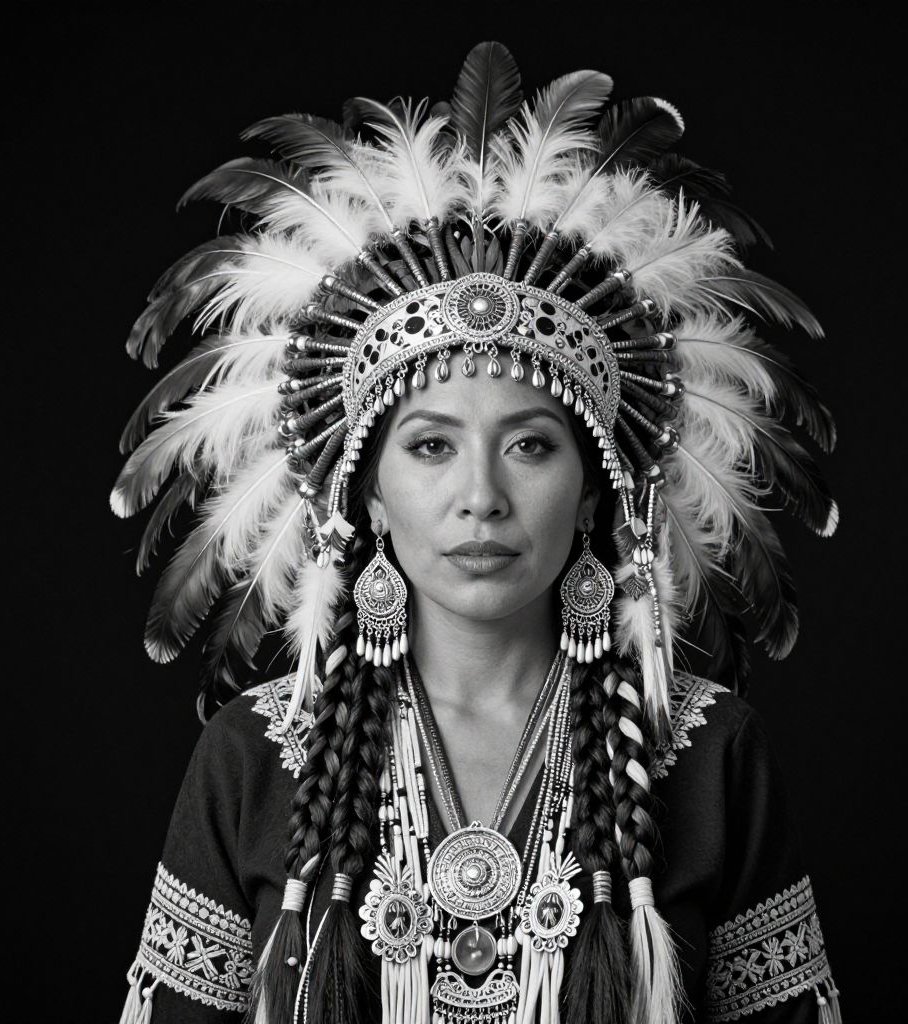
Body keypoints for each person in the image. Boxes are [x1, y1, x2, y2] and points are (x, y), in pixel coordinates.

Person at [113, 42, 842, 1024]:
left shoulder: (706, 755)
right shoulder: (257, 756)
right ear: (366, 494)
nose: (481, 498)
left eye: (531, 446)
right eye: (429, 447)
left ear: (592, 492)